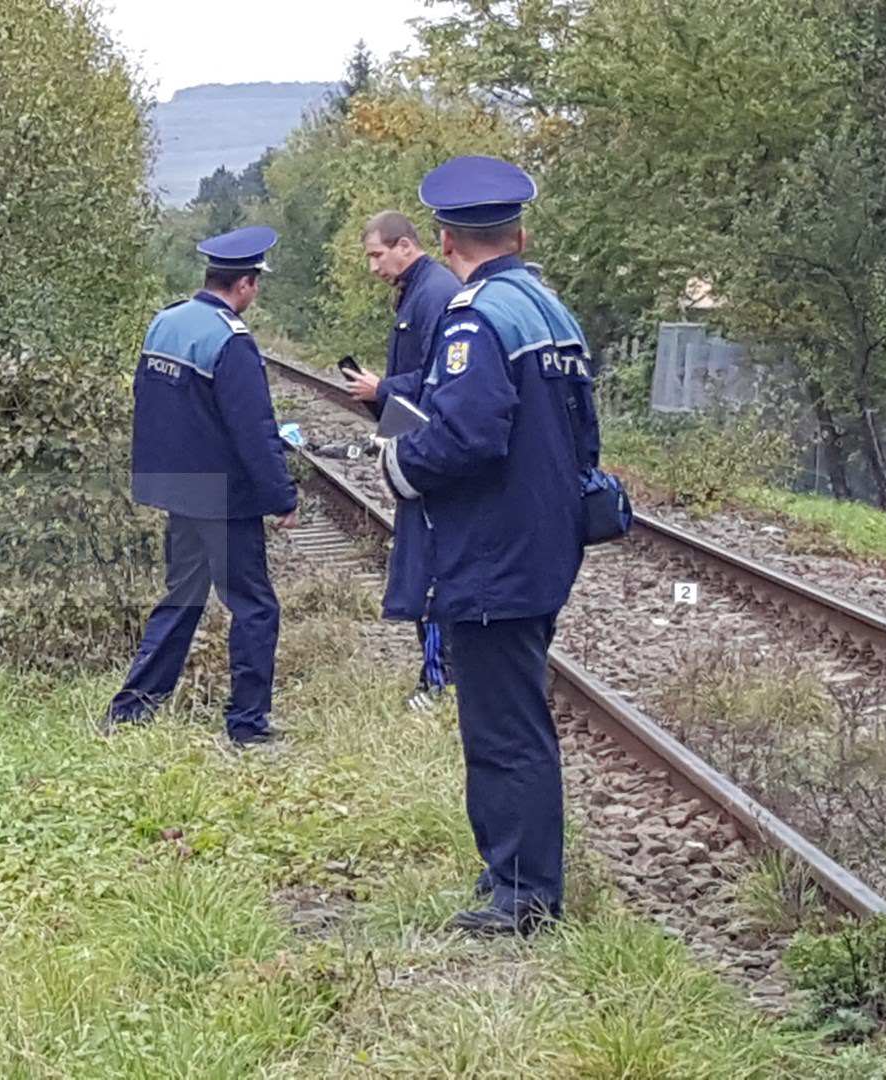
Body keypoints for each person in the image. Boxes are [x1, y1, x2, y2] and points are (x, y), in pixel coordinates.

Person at [350, 157, 601, 936]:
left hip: (493, 549)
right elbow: (583, 438)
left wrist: (398, 466)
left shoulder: (477, 315)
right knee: (516, 714)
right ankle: (518, 871)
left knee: (501, 727)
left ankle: (523, 896)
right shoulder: (551, 310)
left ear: (447, 239)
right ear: (519, 234)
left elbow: (466, 436)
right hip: (543, 540)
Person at [105, 225, 300, 749]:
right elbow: (254, 431)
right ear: (245, 285)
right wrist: (282, 497)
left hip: (175, 489)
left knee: (183, 597)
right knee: (256, 607)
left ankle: (130, 711)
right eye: (256, 285)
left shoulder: (164, 323)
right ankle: (248, 727)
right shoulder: (231, 341)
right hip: (224, 499)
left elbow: (153, 407)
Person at [358, 210, 463, 712]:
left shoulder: (434, 294)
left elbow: (435, 379)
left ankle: (439, 681)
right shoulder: (416, 291)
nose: (374, 267)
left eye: (377, 255)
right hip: (415, 447)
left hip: (430, 454)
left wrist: (382, 389)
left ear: (405, 246)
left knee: (432, 569)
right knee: (423, 566)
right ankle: (437, 676)